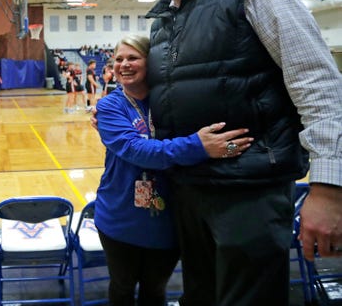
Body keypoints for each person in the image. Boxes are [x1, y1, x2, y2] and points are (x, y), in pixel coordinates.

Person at [134, 0, 342, 305]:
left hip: (250, 189)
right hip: (191, 190)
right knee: (201, 297)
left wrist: (329, 187)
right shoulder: (164, 23)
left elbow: (316, 78)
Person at [95, 34, 253, 306]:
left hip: (169, 218)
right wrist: (197, 146)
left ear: (150, 62)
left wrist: (221, 149)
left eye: (133, 57)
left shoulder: (174, 102)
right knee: (121, 288)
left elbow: (218, 141)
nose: (124, 64)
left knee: (155, 290)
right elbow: (135, 150)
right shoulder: (110, 106)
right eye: (119, 59)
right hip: (119, 216)